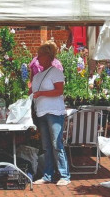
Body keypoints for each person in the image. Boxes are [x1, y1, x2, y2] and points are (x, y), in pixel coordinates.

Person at [32, 41, 70, 185]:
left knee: (56, 143)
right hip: (41, 113)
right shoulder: (37, 76)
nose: (37, 59)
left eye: (40, 56)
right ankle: (47, 175)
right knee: (46, 146)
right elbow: (32, 92)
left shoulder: (56, 72)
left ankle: (64, 176)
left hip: (54, 112)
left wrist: (41, 93)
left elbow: (59, 91)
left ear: (48, 57)